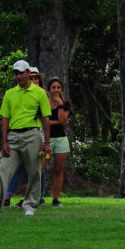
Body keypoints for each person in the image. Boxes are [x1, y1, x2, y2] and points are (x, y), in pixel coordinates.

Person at [0, 60, 51, 217]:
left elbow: (46, 118)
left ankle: (30, 205)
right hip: (12, 136)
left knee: (34, 172)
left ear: (28, 73)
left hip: (32, 134)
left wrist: (47, 143)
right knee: (2, 170)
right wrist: (4, 142)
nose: (18, 76)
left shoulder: (40, 93)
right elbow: (5, 119)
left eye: (20, 73)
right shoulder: (9, 94)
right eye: (16, 73)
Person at [4, 67, 47, 207]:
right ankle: (8, 196)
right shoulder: (15, 94)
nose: (34, 80)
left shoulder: (41, 95)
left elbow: (49, 118)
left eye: (36, 78)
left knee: (38, 168)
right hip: (19, 135)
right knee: (17, 167)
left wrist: (45, 140)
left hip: (38, 134)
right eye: (32, 77)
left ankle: (37, 198)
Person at [43, 77, 70, 207]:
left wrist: (60, 104)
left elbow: (62, 121)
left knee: (58, 169)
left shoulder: (65, 104)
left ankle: (55, 199)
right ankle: (36, 198)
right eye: (53, 87)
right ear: (49, 89)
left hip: (60, 139)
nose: (56, 90)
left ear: (62, 89)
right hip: (45, 139)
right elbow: (43, 122)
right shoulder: (44, 102)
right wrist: (54, 122)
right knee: (39, 169)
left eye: (58, 87)